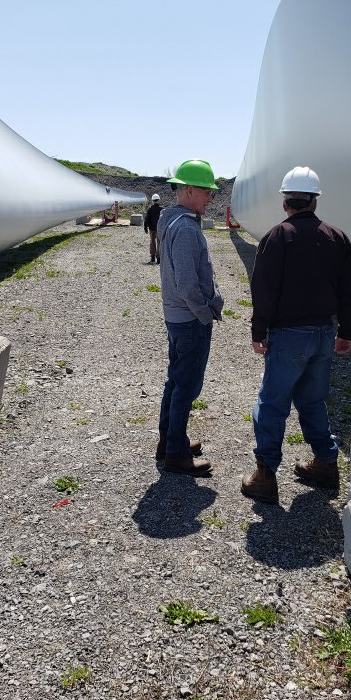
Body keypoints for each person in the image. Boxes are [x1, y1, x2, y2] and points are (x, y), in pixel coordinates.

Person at [241, 166, 351, 504]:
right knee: (312, 400)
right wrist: (346, 331)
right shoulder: (337, 237)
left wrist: (258, 330)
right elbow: (349, 290)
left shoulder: (277, 237)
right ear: (315, 201)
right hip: (324, 332)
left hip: (288, 335)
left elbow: (263, 289)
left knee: (273, 403)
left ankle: (265, 476)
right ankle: (325, 463)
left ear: (285, 202)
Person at [156, 159, 224, 476]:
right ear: (189, 189)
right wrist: (205, 313)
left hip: (177, 317)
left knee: (176, 380)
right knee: (186, 386)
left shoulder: (173, 221)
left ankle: (170, 440)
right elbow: (186, 283)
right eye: (207, 192)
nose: (211, 198)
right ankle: (177, 454)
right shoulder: (185, 228)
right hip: (189, 320)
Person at [143, 193, 163, 263]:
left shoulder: (150, 209)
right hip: (159, 229)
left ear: (152, 200)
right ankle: (159, 258)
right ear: (159, 200)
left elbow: (147, 219)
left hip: (152, 229)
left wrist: (145, 226)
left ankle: (152, 258)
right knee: (159, 243)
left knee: (152, 242)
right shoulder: (162, 209)